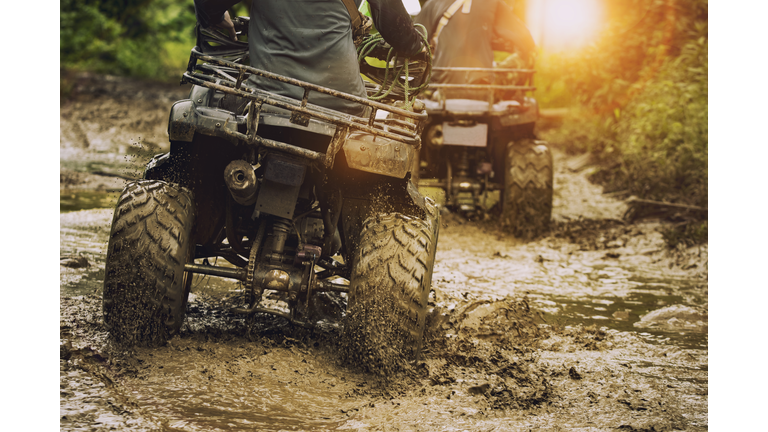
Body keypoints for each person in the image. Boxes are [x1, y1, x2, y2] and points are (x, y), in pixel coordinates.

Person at [193, 0, 425, 115]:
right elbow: (396, 29)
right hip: (344, 103)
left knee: (205, 102)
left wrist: (216, 16)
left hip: (267, 98)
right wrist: (418, 47)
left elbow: (207, 4)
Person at [415, 0, 536, 100]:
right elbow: (525, 40)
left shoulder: (433, 3)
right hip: (481, 86)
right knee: (527, 56)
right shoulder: (493, 3)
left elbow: (415, 42)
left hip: (438, 86)